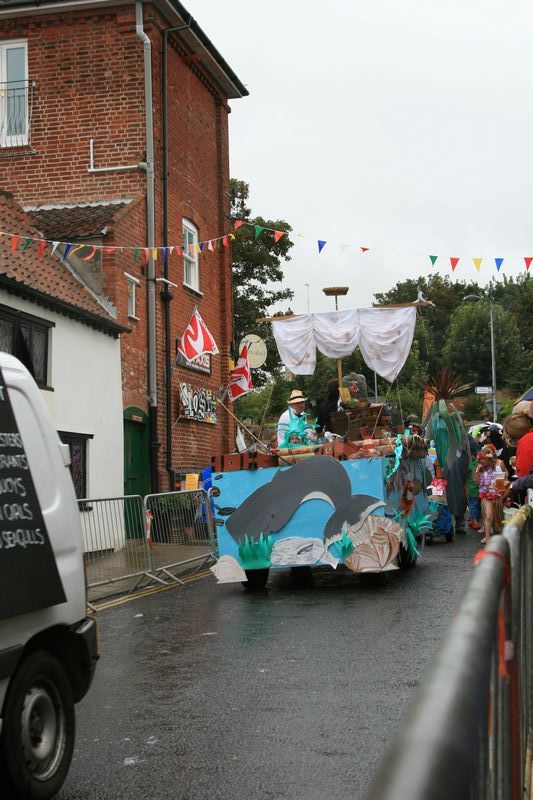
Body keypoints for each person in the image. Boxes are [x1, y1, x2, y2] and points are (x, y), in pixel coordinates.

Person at [474, 444, 508, 544]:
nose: (481, 462)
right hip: (486, 495)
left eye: (483, 460)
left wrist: (504, 494)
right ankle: (488, 538)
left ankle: (500, 539)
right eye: (480, 460)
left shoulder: (499, 464)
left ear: (488, 458)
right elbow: (476, 481)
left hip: (498, 495)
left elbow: (505, 478)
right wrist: (477, 471)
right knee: (488, 516)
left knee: (498, 518)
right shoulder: (482, 468)